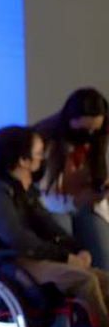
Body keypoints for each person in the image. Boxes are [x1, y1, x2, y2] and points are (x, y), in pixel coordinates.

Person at [0, 125, 109, 327]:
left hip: (33, 259)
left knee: (105, 280)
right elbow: (17, 239)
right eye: (38, 153)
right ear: (22, 160)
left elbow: (49, 226)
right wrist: (64, 257)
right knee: (86, 280)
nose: (42, 158)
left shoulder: (25, 190)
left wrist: (76, 250)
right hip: (11, 264)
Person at [34, 88, 109, 267]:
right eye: (83, 131)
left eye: (95, 131)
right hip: (52, 205)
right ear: (69, 121)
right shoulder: (44, 139)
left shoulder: (100, 138)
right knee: (63, 241)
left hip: (89, 204)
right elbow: (43, 192)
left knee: (102, 252)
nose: (89, 137)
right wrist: (74, 200)